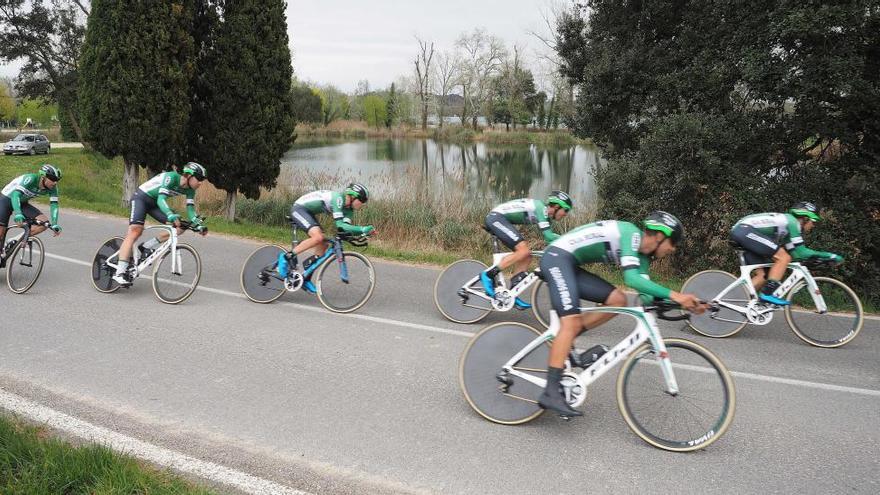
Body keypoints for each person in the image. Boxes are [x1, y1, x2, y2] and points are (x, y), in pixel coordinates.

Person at [537, 211, 704, 416]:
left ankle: (567, 345)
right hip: (556, 258)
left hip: (569, 264)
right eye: (673, 242)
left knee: (618, 300)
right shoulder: (631, 234)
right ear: (660, 236)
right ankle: (550, 392)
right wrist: (678, 295)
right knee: (569, 323)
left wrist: (684, 304)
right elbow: (632, 280)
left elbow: (647, 297)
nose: (673, 249)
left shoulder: (642, 257)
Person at [729, 202, 843, 306]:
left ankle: (733, 301)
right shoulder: (792, 222)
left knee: (764, 276)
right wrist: (829, 256)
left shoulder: (787, 230)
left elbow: (797, 255)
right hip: (744, 230)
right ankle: (767, 294)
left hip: (743, 231)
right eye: (813, 222)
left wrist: (814, 260)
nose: (813, 225)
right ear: (805, 218)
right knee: (783, 257)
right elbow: (801, 252)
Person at [113, 162, 208, 285]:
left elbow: (190, 210)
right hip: (141, 198)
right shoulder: (171, 177)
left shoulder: (190, 190)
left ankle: (147, 246)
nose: (201, 183)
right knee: (135, 231)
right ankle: (119, 272)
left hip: (154, 205)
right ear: (189, 176)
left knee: (180, 226)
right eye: (199, 179)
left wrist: (197, 224)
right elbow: (161, 199)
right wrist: (169, 214)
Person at [479, 191, 573, 308]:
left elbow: (549, 240)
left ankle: (512, 294)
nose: (566, 214)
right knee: (523, 251)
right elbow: (549, 236)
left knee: (527, 256)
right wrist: (570, 240)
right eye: (566, 210)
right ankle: (487, 275)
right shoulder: (540, 208)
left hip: (501, 219)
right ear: (557, 206)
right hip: (496, 218)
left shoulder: (546, 218)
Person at [285, 183, 375, 292]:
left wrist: (364, 233)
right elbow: (340, 225)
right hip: (299, 208)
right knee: (318, 237)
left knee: (323, 245)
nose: (362, 204)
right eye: (362, 201)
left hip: (309, 213)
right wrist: (362, 229)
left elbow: (345, 229)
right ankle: (285, 257)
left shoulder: (349, 211)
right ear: (353, 196)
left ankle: (306, 278)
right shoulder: (338, 198)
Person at [0, 164, 63, 266]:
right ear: (43, 177)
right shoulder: (30, 178)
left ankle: (13, 240)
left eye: (57, 179)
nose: (55, 182)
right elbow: (15, 195)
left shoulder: (53, 187)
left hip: (22, 202)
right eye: (52, 179)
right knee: (0, 233)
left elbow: (54, 204)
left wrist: (54, 223)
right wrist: (18, 213)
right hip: (6, 199)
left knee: (43, 224)